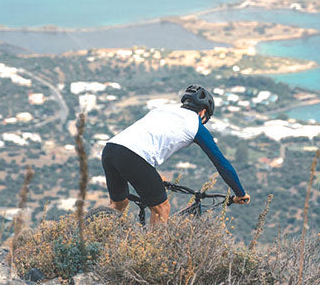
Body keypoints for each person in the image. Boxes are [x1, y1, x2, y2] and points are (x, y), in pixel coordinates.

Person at [101, 84, 250, 224]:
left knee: (119, 203)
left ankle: (96, 235)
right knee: (162, 208)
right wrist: (240, 193)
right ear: (203, 112)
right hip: (133, 157)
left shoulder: (162, 110)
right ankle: (152, 250)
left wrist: (154, 175)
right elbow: (221, 163)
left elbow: (144, 141)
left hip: (111, 149)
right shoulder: (196, 125)